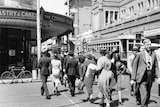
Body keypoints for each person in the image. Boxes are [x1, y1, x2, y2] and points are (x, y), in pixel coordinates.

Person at [131, 39, 160, 107]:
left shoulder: (153, 54)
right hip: (142, 77)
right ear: (144, 45)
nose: (149, 46)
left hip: (150, 76)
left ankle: (145, 105)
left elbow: (156, 66)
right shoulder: (139, 54)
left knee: (148, 94)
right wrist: (133, 78)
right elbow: (135, 66)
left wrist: (158, 76)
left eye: (150, 44)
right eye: (147, 45)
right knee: (144, 94)